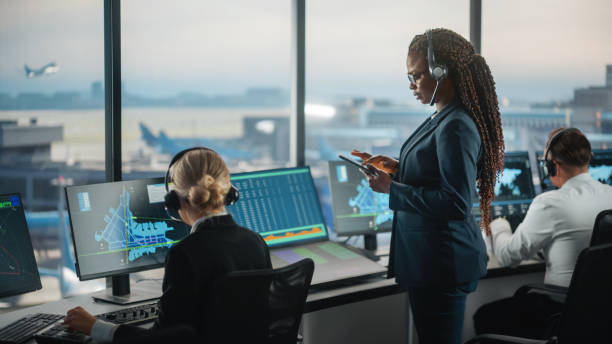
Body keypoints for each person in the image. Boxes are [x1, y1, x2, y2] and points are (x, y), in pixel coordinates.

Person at [352, 28, 504, 344]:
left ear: (442, 71)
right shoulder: (443, 117)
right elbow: (435, 171)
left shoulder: (456, 126)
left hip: (441, 264)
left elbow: (456, 202)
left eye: (417, 76)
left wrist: (391, 189)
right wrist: (397, 168)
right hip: (432, 261)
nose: (411, 86)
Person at [63, 147, 272, 343]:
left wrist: (95, 326)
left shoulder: (185, 254)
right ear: (230, 193)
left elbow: (161, 339)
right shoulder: (255, 242)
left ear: (174, 201)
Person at [474, 128, 612, 339]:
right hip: (601, 312)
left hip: (561, 310)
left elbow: (507, 256)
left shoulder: (550, 202)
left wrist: (499, 226)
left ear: (551, 165)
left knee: (485, 316)